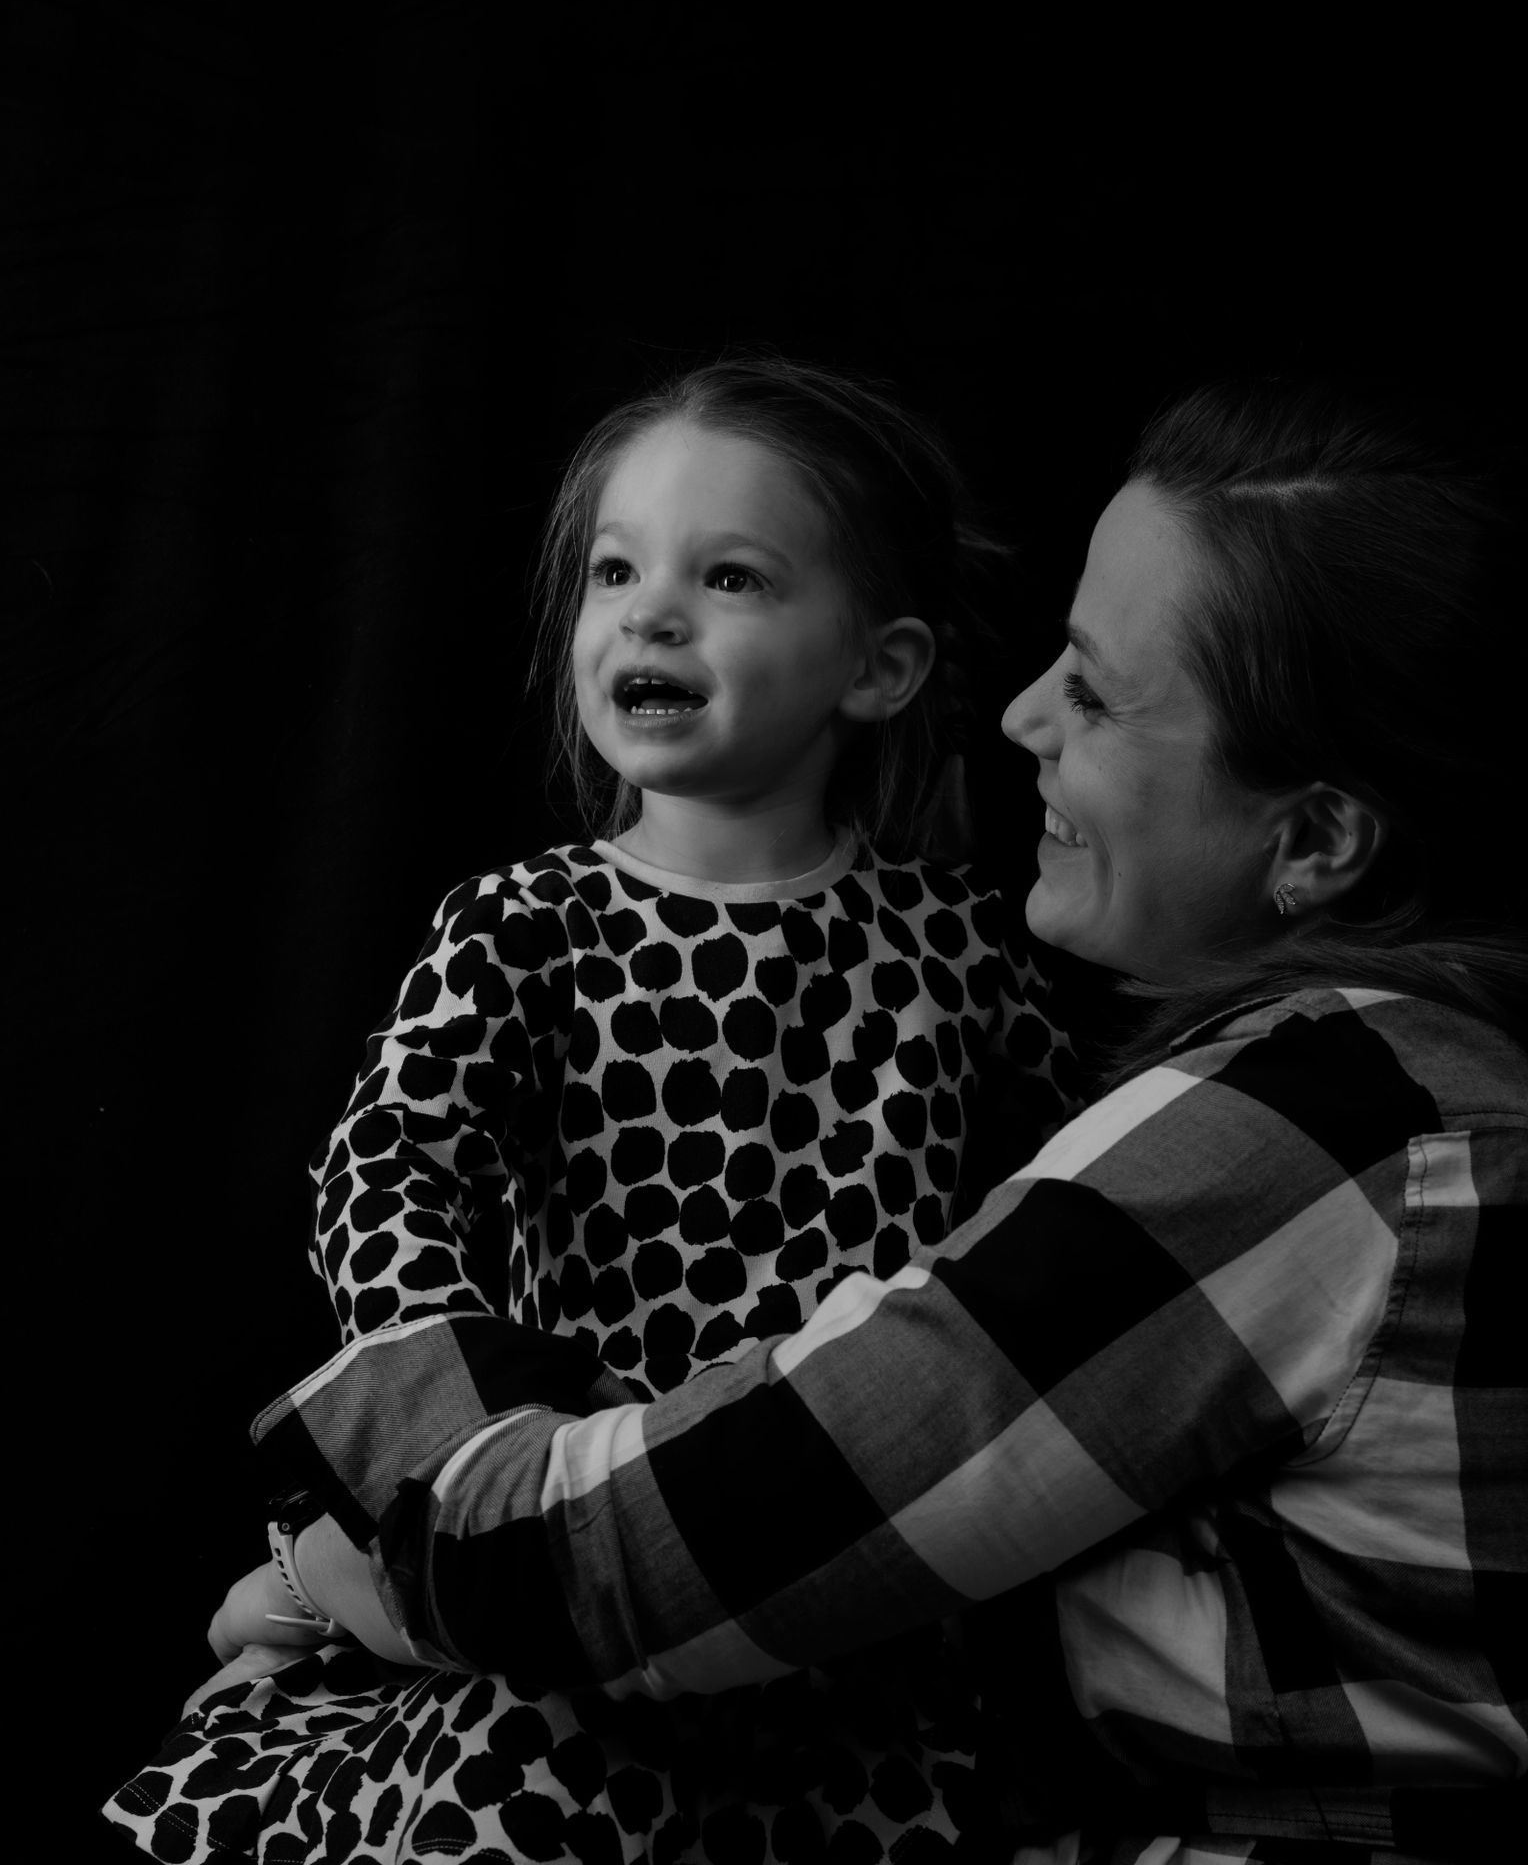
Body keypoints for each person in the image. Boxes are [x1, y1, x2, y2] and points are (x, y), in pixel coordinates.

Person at [130, 376, 1528, 1865]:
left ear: (1317, 839)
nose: (1020, 721)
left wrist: (336, 1573)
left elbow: (601, 1566)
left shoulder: (1317, 1123)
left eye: (1102, 700)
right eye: (618, 572)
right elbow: (404, 1167)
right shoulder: (1510, 1108)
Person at [105, 357, 1077, 1865]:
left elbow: (1080, 1179)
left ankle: (323, 1581)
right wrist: (466, 1447)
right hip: (582, 1525)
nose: (652, 613)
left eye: (732, 576)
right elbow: (387, 1160)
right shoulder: (532, 921)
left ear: (878, 670)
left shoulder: (957, 942)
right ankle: (337, 1579)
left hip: (830, 1540)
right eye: (617, 570)